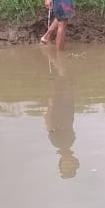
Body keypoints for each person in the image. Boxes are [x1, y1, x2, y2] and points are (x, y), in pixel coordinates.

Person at [42, 49, 79, 179]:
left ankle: (54, 55)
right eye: (69, 165)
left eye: (65, 165)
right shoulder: (69, 142)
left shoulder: (58, 143)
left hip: (60, 107)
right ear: (75, 161)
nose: (68, 162)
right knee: (65, 80)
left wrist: (50, 105)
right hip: (66, 107)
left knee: (62, 80)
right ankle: (57, 55)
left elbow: (48, 124)